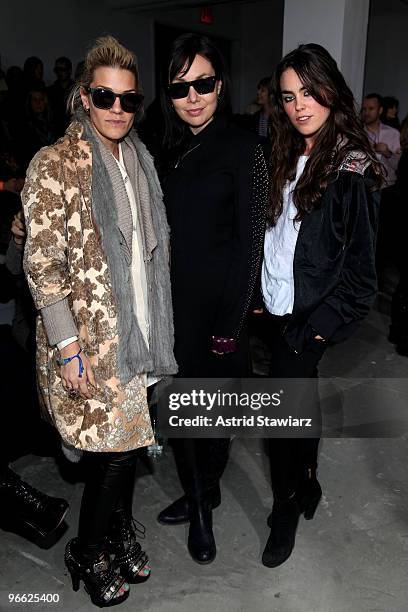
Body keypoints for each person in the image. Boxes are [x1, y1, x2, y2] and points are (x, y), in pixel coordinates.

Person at [22, 35, 177, 607]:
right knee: (112, 459)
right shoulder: (55, 163)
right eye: (104, 97)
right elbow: (42, 267)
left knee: (131, 448)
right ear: (84, 97)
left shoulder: (138, 157)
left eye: (128, 100)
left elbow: (149, 254)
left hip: (138, 333)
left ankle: (112, 534)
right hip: (91, 342)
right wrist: (66, 347)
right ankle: (86, 551)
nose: (117, 109)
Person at [260, 43, 382, 569]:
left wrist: (316, 333)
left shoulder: (352, 167)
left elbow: (361, 278)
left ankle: (285, 506)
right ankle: (307, 484)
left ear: (330, 89)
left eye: (309, 92)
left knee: (278, 423)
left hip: (306, 320)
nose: (299, 106)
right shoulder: (285, 152)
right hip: (271, 308)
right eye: (288, 97)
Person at [157, 33, 268, 564]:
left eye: (203, 83)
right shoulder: (172, 151)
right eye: (181, 87)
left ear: (219, 86)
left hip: (220, 317)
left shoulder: (245, 148)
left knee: (216, 421)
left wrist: (231, 323)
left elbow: (251, 247)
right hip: (174, 312)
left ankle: (208, 489)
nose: (193, 97)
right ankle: (200, 505)